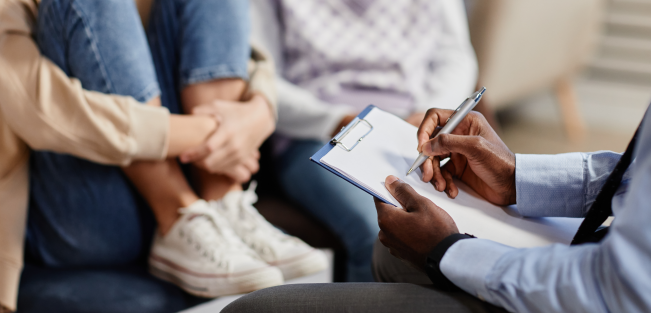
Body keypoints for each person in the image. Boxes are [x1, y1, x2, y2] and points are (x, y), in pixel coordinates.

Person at [0, 0, 325, 310]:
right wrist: (212, 133)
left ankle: (222, 202)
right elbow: (46, 117)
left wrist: (258, 113)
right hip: (81, 215)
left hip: (192, 190)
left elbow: (249, 55)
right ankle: (177, 212)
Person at [236, 0, 478, 282]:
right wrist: (338, 120)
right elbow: (261, 76)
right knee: (380, 233)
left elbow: (454, 53)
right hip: (318, 135)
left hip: (415, 127)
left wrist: (428, 114)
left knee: (469, 232)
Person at [222, 106, 651, 312]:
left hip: (601, 295)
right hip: (605, 258)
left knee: (252, 311)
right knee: (386, 250)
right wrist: (517, 177)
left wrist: (448, 250)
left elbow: (615, 291)